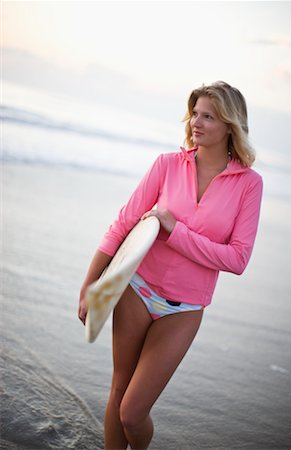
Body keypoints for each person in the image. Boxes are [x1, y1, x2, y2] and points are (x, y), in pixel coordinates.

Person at [78, 81, 263, 450]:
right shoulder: (166, 165)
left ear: (230, 125)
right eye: (194, 113)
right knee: (118, 390)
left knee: (132, 411)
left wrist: (174, 230)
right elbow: (123, 224)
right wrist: (91, 284)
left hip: (184, 309)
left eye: (208, 116)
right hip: (136, 288)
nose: (196, 121)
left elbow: (238, 258)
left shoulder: (249, 185)